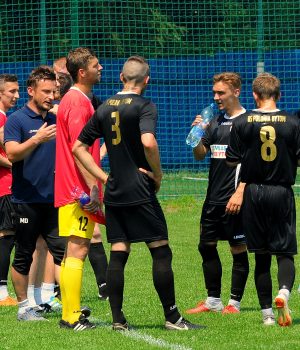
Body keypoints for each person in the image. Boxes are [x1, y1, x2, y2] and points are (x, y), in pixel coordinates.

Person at [72, 55, 203, 331]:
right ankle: (173, 318)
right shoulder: (144, 106)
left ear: (121, 78)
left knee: (119, 251)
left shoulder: (105, 107)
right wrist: (157, 174)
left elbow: (78, 148)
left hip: (116, 191)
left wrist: (103, 177)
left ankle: (118, 320)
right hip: (141, 190)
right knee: (161, 251)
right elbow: (148, 141)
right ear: (147, 80)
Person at [226, 72, 300, 326]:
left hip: (253, 191)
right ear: (278, 95)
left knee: (260, 255)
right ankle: (284, 292)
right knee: (285, 252)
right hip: (281, 191)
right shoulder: (292, 122)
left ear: (254, 95)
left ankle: (267, 314)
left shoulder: (243, 122)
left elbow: (232, 159)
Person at [4, 66, 66, 321]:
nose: (51, 96)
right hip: (26, 200)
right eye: (45, 91)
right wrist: (37, 139)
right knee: (24, 254)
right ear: (31, 91)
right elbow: (11, 153)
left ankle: (68, 303)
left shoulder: (54, 118)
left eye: (54, 91)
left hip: (54, 199)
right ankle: (23, 307)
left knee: (62, 252)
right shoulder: (17, 119)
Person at [185, 72, 249, 315]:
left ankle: (234, 303)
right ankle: (213, 300)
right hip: (213, 199)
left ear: (236, 92)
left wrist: (240, 192)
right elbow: (201, 155)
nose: (216, 97)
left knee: (237, 248)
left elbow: (252, 164)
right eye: (214, 93)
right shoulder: (215, 122)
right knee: (206, 246)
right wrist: (197, 135)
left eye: (221, 92)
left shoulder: (248, 122)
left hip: (235, 198)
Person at [55, 47, 104, 331]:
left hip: (74, 188)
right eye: (96, 66)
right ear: (82, 72)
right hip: (78, 190)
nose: (101, 69)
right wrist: (93, 189)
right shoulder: (77, 102)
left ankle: (71, 309)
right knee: (78, 249)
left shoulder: (80, 99)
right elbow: (78, 149)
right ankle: (70, 317)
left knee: (74, 249)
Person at [0, 74, 19, 306]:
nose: (16, 95)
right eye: (11, 92)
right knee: (6, 237)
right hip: (5, 187)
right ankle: (2, 293)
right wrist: (17, 165)